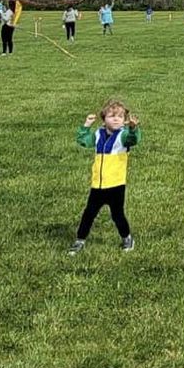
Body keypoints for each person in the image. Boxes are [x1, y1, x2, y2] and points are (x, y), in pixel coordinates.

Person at [68, 99, 141, 254]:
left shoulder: (123, 136)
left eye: (120, 117)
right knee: (88, 214)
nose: (116, 119)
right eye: (112, 116)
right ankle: (79, 241)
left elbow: (133, 140)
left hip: (116, 185)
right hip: (98, 185)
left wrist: (133, 129)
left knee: (117, 215)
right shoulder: (98, 135)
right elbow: (83, 141)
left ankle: (127, 238)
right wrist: (86, 125)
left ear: (124, 121)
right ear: (104, 118)